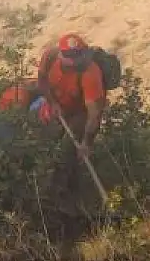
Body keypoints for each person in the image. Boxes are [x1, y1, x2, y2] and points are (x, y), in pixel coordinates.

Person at [35, 33, 108, 209]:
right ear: (61, 55)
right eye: (70, 57)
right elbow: (42, 80)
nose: (74, 61)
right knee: (44, 142)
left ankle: (67, 193)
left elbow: (94, 115)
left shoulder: (90, 73)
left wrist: (86, 143)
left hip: (81, 112)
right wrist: (52, 102)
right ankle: (44, 187)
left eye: (78, 56)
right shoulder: (50, 56)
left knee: (68, 148)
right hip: (57, 104)